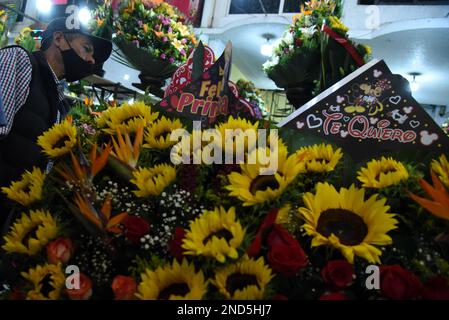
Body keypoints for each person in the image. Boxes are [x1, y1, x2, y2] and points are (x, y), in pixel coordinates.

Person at [0, 17, 112, 230]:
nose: (91, 60)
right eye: (87, 49)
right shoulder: (18, 60)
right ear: (59, 38)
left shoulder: (60, 103)